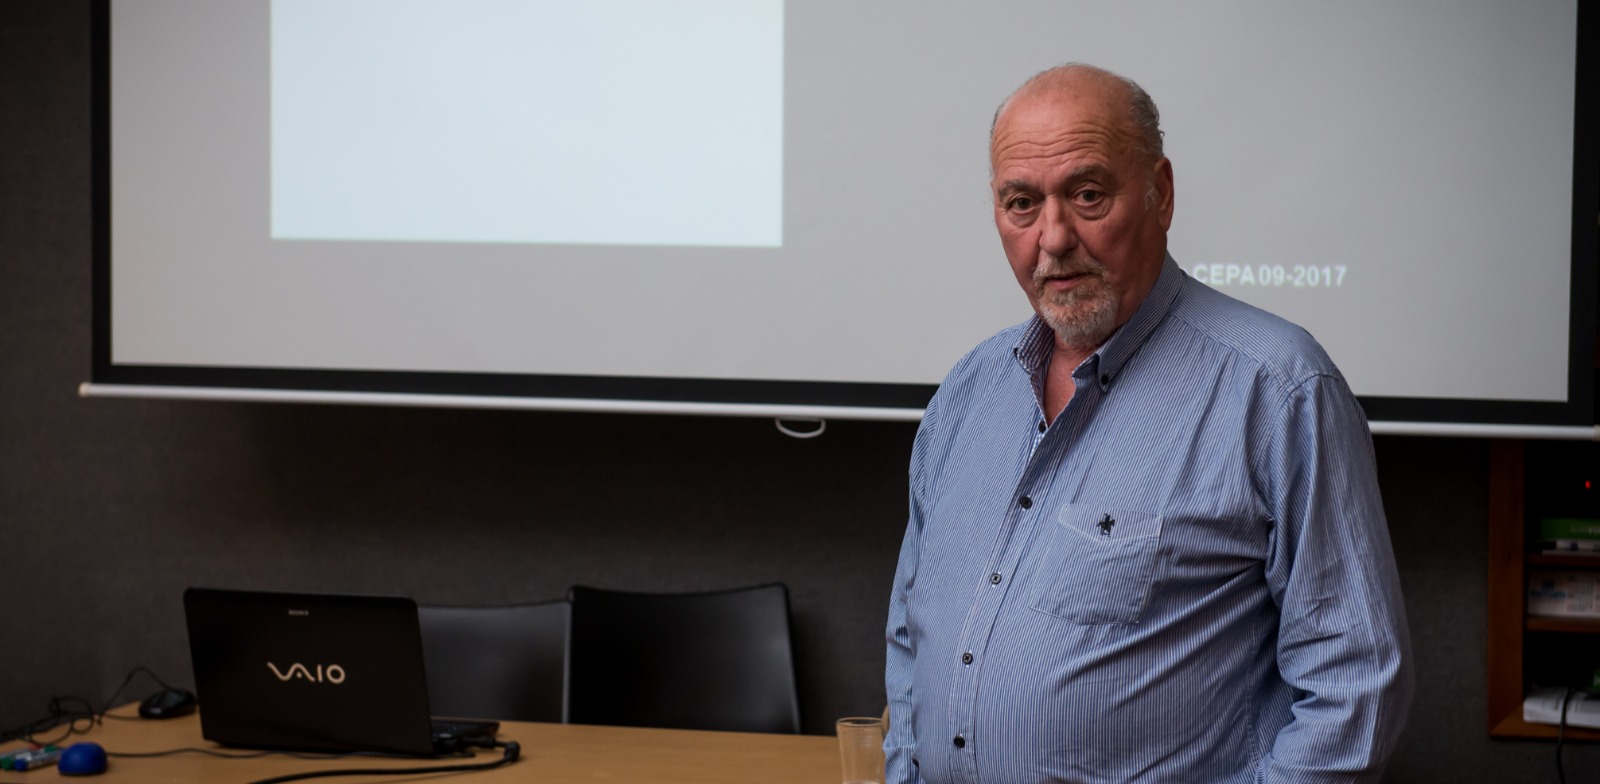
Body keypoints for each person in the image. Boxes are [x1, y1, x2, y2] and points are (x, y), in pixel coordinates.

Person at [883, 64, 1413, 783]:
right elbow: (909, 639)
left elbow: (1355, 693)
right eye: (1021, 203)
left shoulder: (1278, 389)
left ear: (1160, 193)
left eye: (1088, 195)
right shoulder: (967, 394)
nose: (1053, 237)